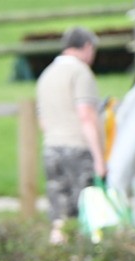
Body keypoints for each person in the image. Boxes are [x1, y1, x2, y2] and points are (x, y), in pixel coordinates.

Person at [36, 26, 107, 245]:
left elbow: (43, 121)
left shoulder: (46, 74)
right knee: (86, 212)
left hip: (51, 149)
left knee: (60, 214)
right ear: (87, 47)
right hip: (78, 150)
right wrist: (99, 159)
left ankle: (59, 259)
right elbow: (86, 116)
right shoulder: (80, 73)